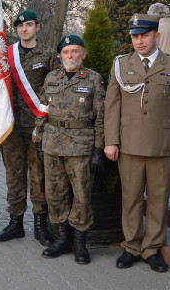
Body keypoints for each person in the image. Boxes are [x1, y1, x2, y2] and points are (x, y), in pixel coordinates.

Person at [104, 14, 170, 272]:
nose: (139, 41)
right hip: (129, 144)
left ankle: (152, 248)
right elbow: (112, 107)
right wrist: (111, 142)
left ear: (157, 36)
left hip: (163, 144)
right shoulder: (121, 65)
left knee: (158, 198)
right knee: (130, 198)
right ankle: (131, 246)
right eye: (135, 36)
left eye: (144, 35)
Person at [34, 35, 105, 264]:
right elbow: (42, 109)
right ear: (60, 56)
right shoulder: (51, 78)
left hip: (80, 145)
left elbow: (101, 118)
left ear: (83, 54)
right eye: (66, 52)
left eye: (75, 51)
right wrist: (40, 139)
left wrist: (98, 149)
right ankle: (62, 238)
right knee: (54, 193)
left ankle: (79, 242)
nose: (70, 56)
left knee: (82, 196)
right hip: (53, 143)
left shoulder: (93, 79)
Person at [0, 10, 58, 246]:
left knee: (39, 177)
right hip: (11, 125)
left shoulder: (49, 54)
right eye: (20, 25)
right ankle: (15, 223)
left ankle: (40, 225)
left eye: (29, 25)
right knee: (14, 176)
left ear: (37, 27)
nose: (24, 29)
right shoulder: (5, 54)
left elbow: (54, 89)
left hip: (37, 128)